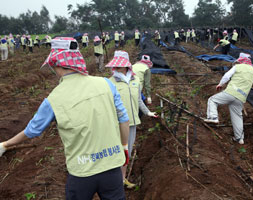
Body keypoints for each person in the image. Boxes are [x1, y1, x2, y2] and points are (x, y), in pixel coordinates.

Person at [0, 37, 130, 200]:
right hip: (112, 167)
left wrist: (6, 144)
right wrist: (124, 146)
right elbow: (124, 120)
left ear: (56, 64)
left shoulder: (53, 99)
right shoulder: (106, 84)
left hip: (82, 172)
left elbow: (32, 131)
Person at [106, 50, 157, 189]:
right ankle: (112, 181)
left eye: (120, 65)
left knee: (126, 151)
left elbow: (139, 100)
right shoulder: (109, 83)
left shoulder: (135, 81)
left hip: (132, 123)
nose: (117, 68)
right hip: (117, 124)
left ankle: (122, 179)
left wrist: (148, 113)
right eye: (116, 65)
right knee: (116, 152)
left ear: (127, 66)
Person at [204, 53, 253, 144]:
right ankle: (239, 138)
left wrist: (220, 84)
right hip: (241, 97)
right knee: (237, 116)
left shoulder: (238, 67)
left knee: (212, 100)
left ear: (241, 60)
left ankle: (213, 117)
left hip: (231, 92)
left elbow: (226, 76)